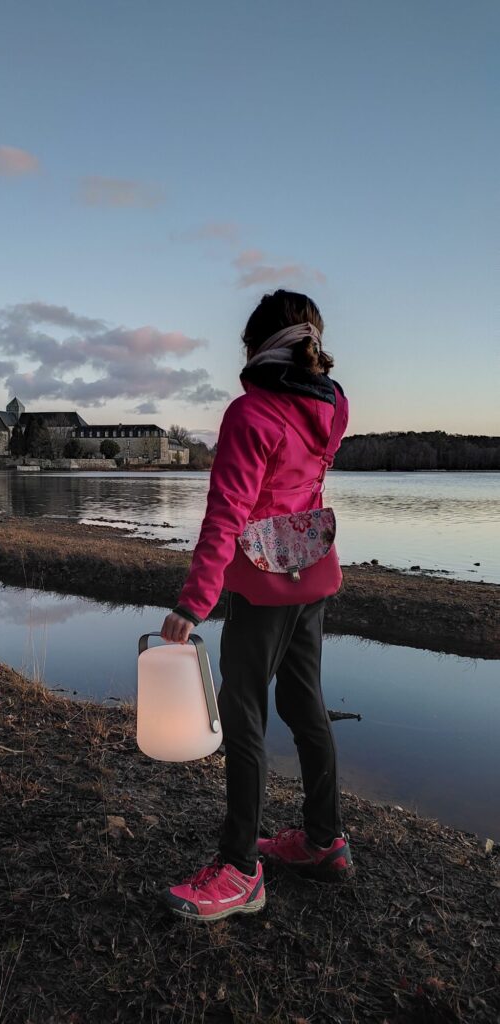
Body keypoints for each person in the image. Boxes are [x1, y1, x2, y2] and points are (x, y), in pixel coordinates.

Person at [159, 289, 353, 923]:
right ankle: (324, 842)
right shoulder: (333, 405)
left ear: (255, 349)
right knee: (304, 705)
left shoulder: (252, 413)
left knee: (244, 715)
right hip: (313, 574)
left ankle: (241, 869)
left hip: (263, 588)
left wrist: (194, 602)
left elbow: (227, 515)